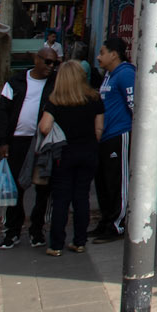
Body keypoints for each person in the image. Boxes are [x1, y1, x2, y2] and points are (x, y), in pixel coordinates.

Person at [0, 42, 60, 248]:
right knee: (15, 187)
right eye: (47, 62)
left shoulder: (55, 83)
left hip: (42, 142)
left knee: (43, 188)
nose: (51, 66)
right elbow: (2, 112)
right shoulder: (15, 81)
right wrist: (3, 141)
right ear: (36, 60)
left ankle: (36, 229)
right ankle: (12, 231)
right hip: (18, 141)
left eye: (55, 63)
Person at [37, 59, 105, 256]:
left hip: (64, 154)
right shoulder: (94, 98)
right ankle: (79, 241)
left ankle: (56, 244)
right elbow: (99, 129)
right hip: (88, 152)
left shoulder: (55, 101)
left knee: (61, 198)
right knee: (81, 197)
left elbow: (44, 127)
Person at [94, 35, 135, 241]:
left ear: (114, 54)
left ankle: (117, 224)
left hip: (119, 134)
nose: (98, 57)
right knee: (103, 182)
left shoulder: (126, 74)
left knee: (116, 182)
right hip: (105, 136)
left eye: (102, 53)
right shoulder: (109, 75)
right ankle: (105, 220)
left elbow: (133, 104)